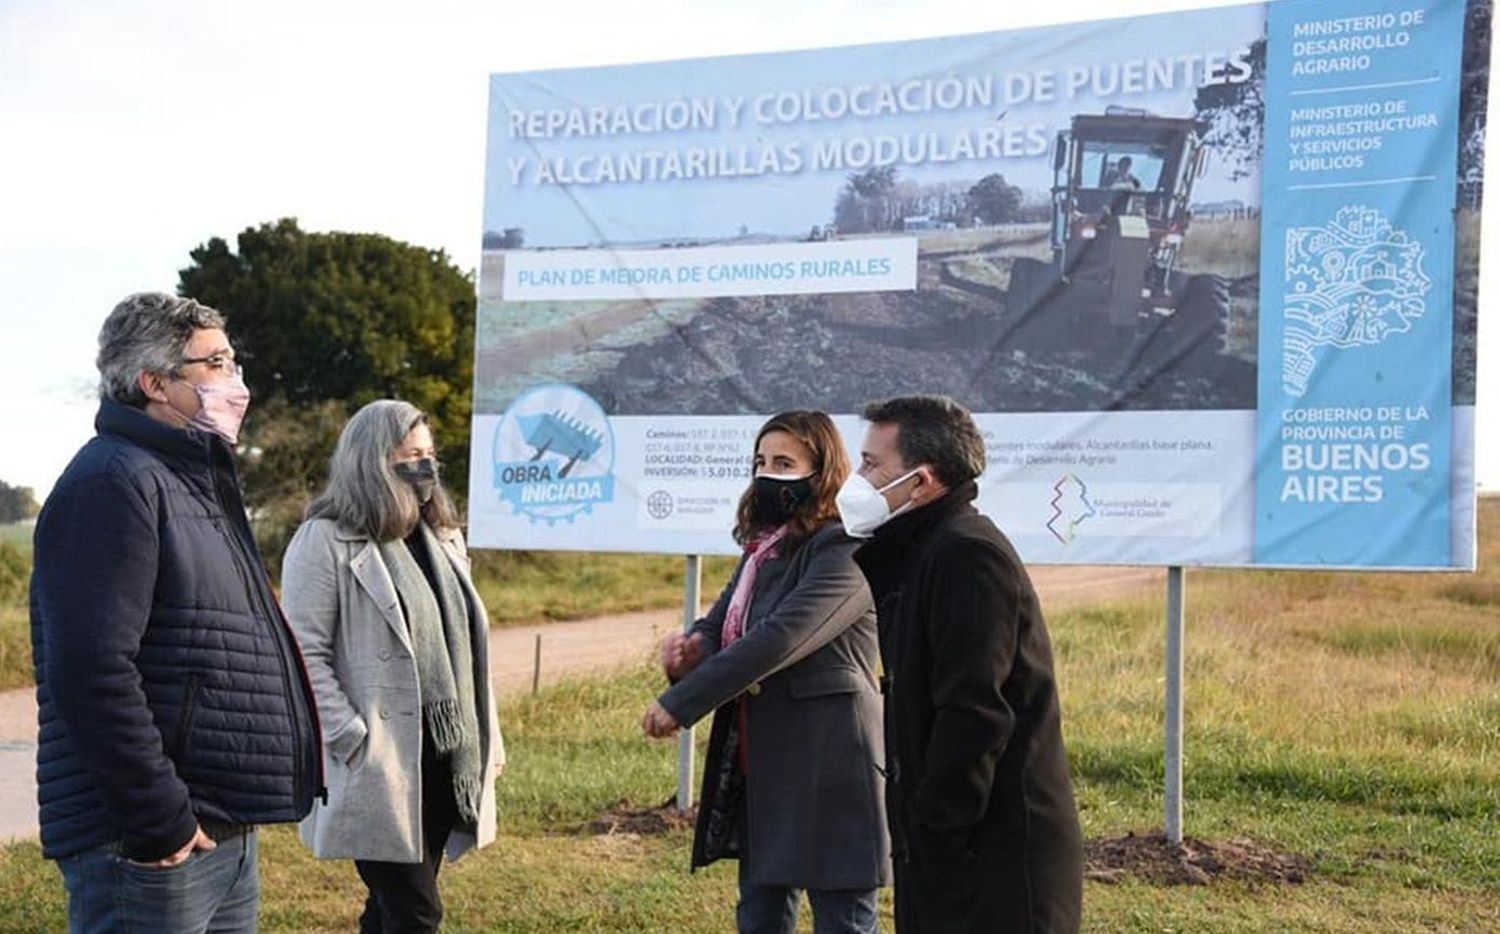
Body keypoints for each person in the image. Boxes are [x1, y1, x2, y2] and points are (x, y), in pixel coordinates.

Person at [31, 291, 322, 933]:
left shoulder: (191, 480)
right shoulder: (113, 483)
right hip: (152, 843)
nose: (236, 382)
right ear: (155, 383)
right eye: (215, 364)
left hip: (216, 828)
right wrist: (160, 816)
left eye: (233, 360)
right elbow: (90, 671)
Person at [841, 395, 1083, 933]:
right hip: (953, 849)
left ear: (922, 482)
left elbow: (974, 712)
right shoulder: (923, 550)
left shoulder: (967, 555)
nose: (857, 478)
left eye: (872, 464)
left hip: (991, 852)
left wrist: (934, 827)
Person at [642, 410, 890, 934]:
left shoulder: (847, 546)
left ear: (821, 471)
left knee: (842, 919)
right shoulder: (766, 545)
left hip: (832, 764)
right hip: (768, 763)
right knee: (760, 912)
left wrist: (682, 704)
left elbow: (778, 638)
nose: (768, 473)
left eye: (784, 462)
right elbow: (720, 622)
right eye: (760, 461)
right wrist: (691, 656)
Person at [281, 399, 504, 934]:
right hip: (380, 763)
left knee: (387, 911)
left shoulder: (443, 538)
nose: (424, 468)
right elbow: (301, 651)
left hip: (445, 757)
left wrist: (489, 741)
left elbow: (468, 652)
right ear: (373, 462)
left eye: (429, 455)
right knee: (417, 913)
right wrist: (350, 737)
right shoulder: (326, 539)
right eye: (410, 456)